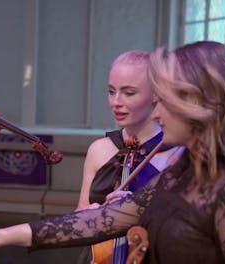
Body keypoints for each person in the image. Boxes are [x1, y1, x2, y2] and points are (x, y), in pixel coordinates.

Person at [0, 41, 225, 263]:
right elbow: (101, 220)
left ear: (199, 107)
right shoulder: (182, 172)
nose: (156, 115)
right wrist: (0, 236)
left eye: (163, 103)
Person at [76, 50, 184, 263]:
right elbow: (79, 212)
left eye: (129, 93)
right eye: (111, 91)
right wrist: (92, 213)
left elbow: (183, 229)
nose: (116, 102)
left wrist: (138, 209)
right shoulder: (99, 150)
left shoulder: (176, 153)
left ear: (156, 94)